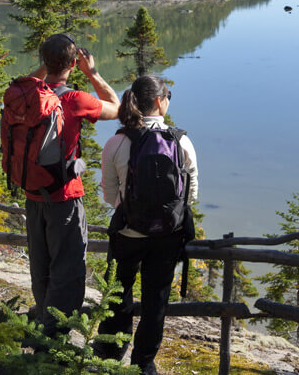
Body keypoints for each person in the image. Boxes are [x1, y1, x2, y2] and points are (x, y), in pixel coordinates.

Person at [95, 75, 198, 375]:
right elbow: (190, 194)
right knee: (156, 298)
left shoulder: (116, 142)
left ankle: (111, 350)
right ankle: (144, 363)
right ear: (158, 101)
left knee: (119, 291)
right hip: (168, 235)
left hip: (128, 232)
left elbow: (110, 195)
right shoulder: (181, 141)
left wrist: (135, 214)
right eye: (168, 96)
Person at [24, 33, 120, 338]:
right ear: (72, 63)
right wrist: (92, 73)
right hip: (64, 198)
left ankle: (43, 322)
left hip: (32, 194)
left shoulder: (26, 95)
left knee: (41, 266)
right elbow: (115, 107)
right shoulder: (75, 99)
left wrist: (44, 67)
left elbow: (26, 82)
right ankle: (55, 343)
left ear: (43, 61)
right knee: (68, 269)